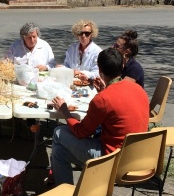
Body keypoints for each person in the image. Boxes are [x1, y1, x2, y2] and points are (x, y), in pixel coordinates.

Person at [50, 49, 149, 185]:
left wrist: (64, 111)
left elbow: (81, 132)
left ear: (99, 69)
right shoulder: (138, 89)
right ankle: (64, 193)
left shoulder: (103, 99)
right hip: (139, 157)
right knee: (58, 152)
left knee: (59, 132)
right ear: (122, 67)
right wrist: (105, 91)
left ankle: (65, 193)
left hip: (112, 160)